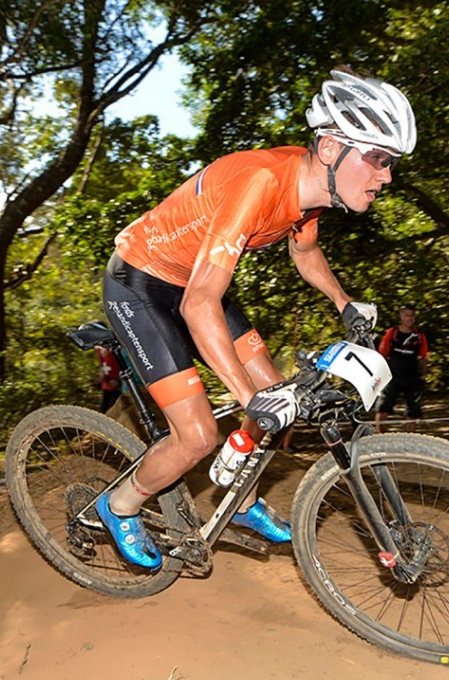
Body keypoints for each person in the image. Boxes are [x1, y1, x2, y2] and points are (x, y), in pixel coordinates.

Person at [98, 68, 417, 567]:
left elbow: (305, 251)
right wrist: (248, 397)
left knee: (274, 385)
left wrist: (343, 301)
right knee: (200, 434)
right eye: (378, 158)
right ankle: (119, 506)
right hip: (142, 285)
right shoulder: (261, 183)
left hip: (196, 280)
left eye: (391, 162)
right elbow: (198, 304)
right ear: (332, 148)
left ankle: (240, 502)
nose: (387, 175)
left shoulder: (312, 188)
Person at [376, 306, 429, 432]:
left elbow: (423, 357)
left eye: (412, 316)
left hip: (412, 377)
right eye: (407, 315)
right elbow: (381, 354)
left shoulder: (419, 336)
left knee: (413, 411)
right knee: (383, 408)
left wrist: (424, 374)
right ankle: (379, 438)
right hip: (392, 376)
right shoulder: (392, 333)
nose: (409, 318)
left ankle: (410, 440)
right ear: (401, 317)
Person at [95, 345, 123, 414]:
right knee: (104, 408)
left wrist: (118, 380)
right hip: (107, 385)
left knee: (113, 407)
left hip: (118, 386)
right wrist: (101, 379)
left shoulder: (116, 350)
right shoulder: (99, 351)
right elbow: (102, 366)